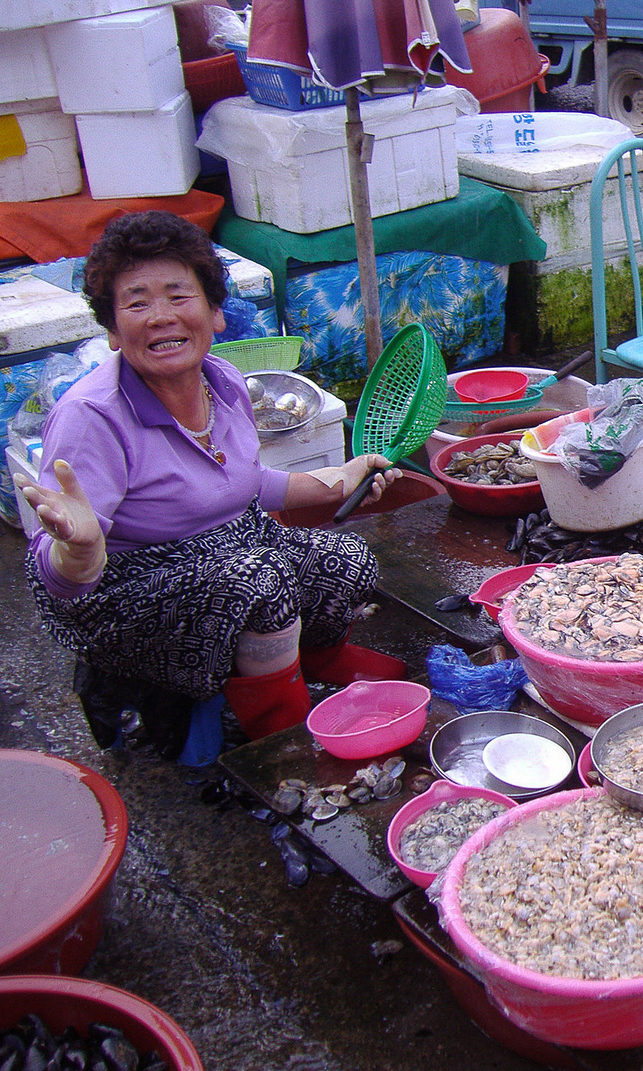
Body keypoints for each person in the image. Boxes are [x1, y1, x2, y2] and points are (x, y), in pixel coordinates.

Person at [16, 211, 406, 760]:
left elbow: (242, 484)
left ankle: (316, 662)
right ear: (111, 329)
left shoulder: (222, 383)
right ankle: (279, 726)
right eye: (136, 303)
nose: (160, 317)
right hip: (124, 585)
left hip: (230, 547)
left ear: (215, 313)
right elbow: (56, 583)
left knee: (347, 558)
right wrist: (79, 551)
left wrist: (338, 481)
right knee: (260, 579)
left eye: (179, 296)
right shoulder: (92, 418)